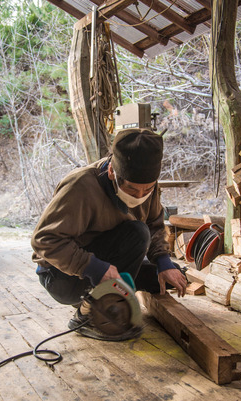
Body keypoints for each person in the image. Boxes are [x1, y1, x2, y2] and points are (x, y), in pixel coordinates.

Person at [31, 128, 187, 341]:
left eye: (147, 190)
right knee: (137, 233)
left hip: (105, 260)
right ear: (112, 172)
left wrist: (163, 261)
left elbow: (154, 223)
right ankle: (86, 317)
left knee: (169, 277)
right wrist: (93, 267)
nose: (140, 196)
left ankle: (113, 290)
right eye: (132, 190)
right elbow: (44, 240)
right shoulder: (81, 185)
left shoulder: (148, 185)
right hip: (61, 277)